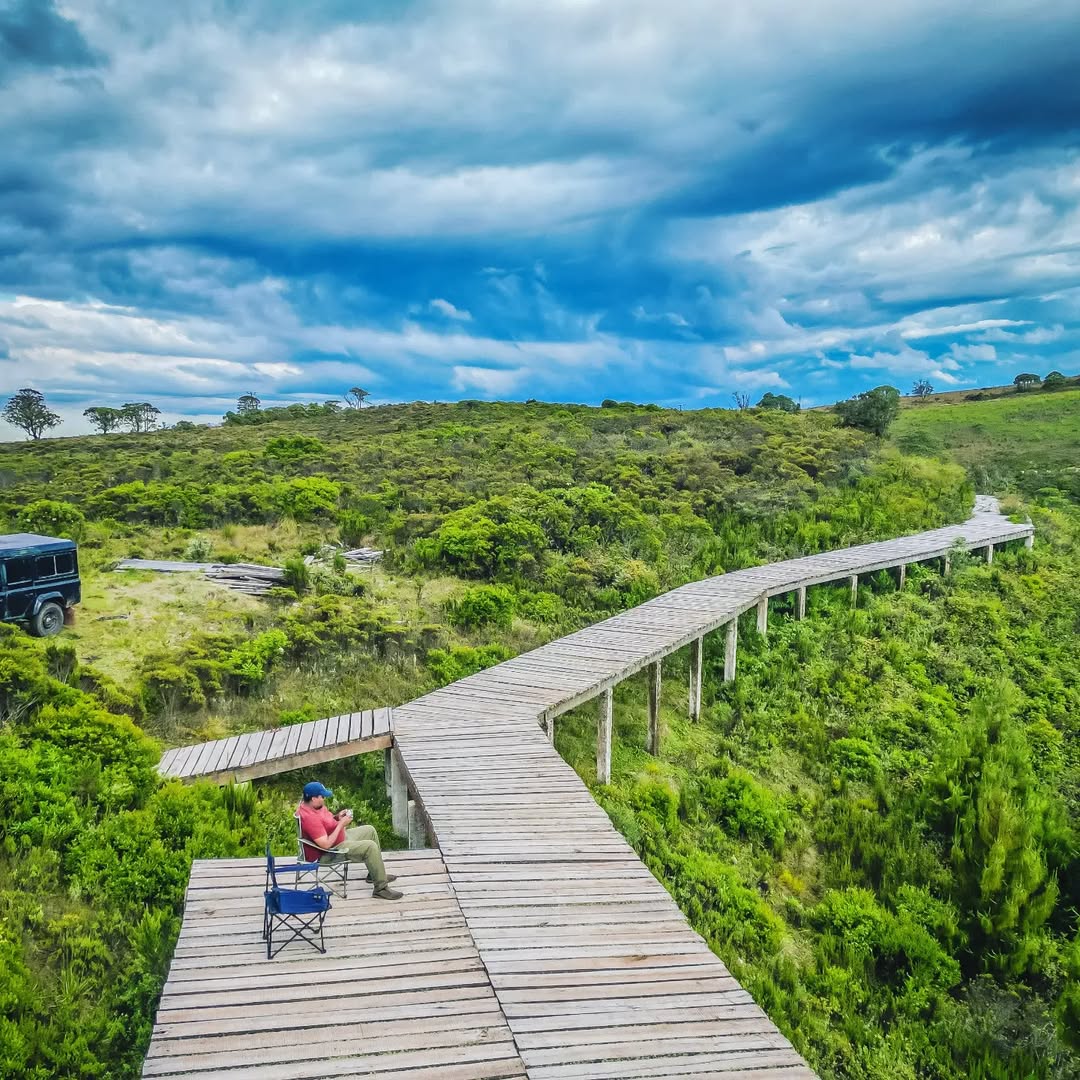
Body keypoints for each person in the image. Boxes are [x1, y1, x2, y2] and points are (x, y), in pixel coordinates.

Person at [296, 781, 403, 900]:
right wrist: (341, 824)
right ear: (313, 798)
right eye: (322, 796)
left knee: (370, 830)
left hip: (338, 838)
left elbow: (324, 823)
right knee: (370, 847)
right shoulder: (310, 818)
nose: (324, 798)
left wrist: (337, 817)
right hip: (330, 852)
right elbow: (325, 845)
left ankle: (375, 875)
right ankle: (381, 889)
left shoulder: (314, 806)